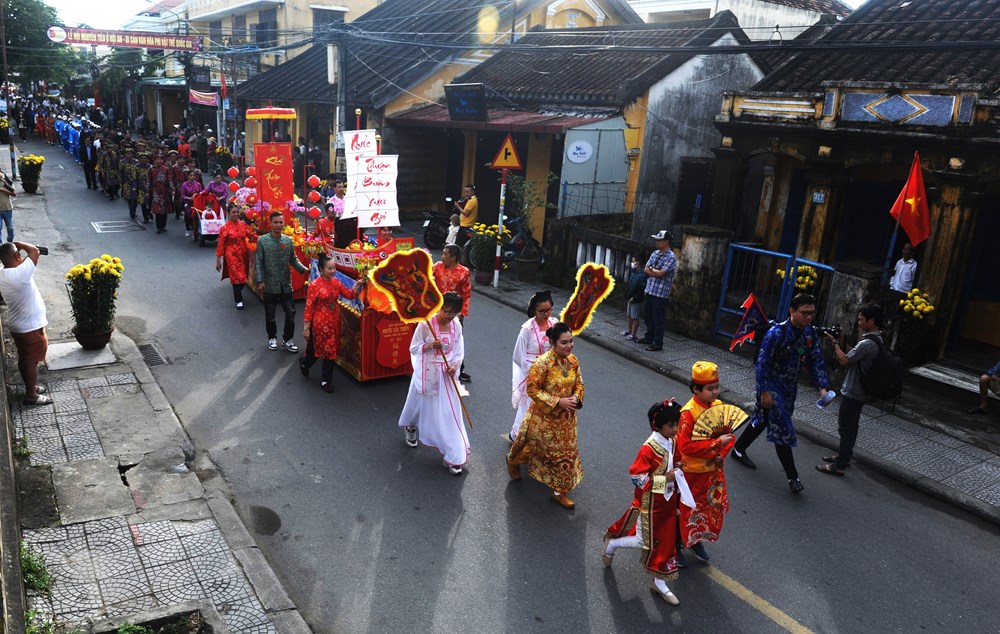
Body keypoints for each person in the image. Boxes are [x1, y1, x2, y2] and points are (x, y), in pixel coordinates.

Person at [730, 293, 831, 493]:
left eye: (812, 313)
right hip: (771, 386)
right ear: (792, 311)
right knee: (782, 429)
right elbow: (762, 364)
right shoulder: (776, 333)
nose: (809, 317)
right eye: (805, 313)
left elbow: (815, 360)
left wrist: (822, 387)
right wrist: (764, 392)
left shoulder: (809, 334)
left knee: (764, 419)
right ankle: (793, 477)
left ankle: (738, 449)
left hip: (789, 388)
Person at [602, 399, 693, 605]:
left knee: (668, 542)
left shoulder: (673, 440)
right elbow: (637, 478)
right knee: (644, 542)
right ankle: (612, 545)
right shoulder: (648, 449)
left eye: (677, 424)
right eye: (671, 425)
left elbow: (677, 458)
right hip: (650, 505)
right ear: (658, 425)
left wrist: (679, 467)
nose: (675, 429)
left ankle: (659, 582)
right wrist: (666, 479)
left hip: (669, 502)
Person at [506, 322, 585, 509]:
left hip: (566, 421)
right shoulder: (542, 363)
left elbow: (579, 383)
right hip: (543, 419)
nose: (569, 346)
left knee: (565, 457)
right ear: (552, 343)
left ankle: (559, 492)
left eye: (571, 342)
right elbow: (533, 390)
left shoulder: (573, 361)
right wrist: (558, 402)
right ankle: (513, 461)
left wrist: (575, 397)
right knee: (532, 451)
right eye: (564, 343)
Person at [398, 292, 469, 476]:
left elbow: (459, 351)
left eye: (454, 313)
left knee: (449, 414)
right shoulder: (425, 324)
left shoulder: (457, 326)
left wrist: (454, 365)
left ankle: (453, 455)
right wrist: (430, 346)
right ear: (439, 307)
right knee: (417, 404)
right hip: (426, 372)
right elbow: (413, 348)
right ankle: (411, 426)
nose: (450, 316)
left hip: (446, 375)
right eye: (447, 312)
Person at [676, 361, 734, 564]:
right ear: (696, 389)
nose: (715, 392)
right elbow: (685, 447)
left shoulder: (718, 407)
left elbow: (729, 436)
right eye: (710, 389)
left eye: (716, 387)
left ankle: (695, 540)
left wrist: (721, 454)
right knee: (686, 509)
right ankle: (677, 544)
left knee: (706, 511)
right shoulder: (688, 413)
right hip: (692, 472)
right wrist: (716, 445)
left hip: (712, 472)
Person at [818, 303, 884, 476]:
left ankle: (839, 465)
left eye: (862, 320)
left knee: (846, 428)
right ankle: (844, 457)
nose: (859, 322)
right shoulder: (876, 339)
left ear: (872, 320)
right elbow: (854, 355)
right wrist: (842, 341)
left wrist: (834, 344)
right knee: (851, 426)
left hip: (854, 391)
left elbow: (845, 361)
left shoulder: (868, 342)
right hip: (861, 391)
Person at [300, 253, 360, 393]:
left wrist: (357, 286)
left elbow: (349, 295)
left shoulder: (336, 282)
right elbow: (308, 307)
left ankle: (326, 380)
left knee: (331, 352)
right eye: (329, 268)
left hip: (334, 321)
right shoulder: (315, 286)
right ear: (321, 269)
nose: (333, 271)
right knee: (317, 351)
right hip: (320, 324)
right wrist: (306, 327)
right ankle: (304, 363)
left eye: (334, 268)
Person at [0, 242, 49, 406]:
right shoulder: (21, 274)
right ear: (17, 256)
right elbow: (34, 251)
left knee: (25, 358)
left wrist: (15, 249)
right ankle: (31, 395)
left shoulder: (3, 274)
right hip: (30, 328)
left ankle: (31, 387)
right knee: (31, 361)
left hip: (18, 325)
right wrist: (18, 244)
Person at [256, 211, 309, 351]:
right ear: (270, 223)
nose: (278, 225)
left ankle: (287, 339)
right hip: (269, 283)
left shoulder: (288, 240)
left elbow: (293, 259)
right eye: (276, 222)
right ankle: (272, 337)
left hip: (286, 283)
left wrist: (304, 270)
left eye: (281, 222)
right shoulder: (262, 241)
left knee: (291, 313)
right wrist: (260, 280)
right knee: (270, 314)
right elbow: (259, 262)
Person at [508, 291, 557, 441]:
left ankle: (535, 436)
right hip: (532, 372)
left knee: (545, 406)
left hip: (549, 371)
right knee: (529, 405)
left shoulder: (555, 324)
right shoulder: (527, 329)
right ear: (533, 311)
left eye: (549, 309)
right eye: (542, 311)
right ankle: (519, 434)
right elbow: (518, 355)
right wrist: (533, 370)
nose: (546, 313)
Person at [432, 244, 472, 382]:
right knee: (435, 337)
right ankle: (435, 365)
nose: (442, 257)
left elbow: (466, 294)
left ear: (453, 257)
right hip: (437, 310)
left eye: (445, 254)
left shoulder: (463, 272)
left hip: (454, 312)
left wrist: (461, 314)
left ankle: (458, 367)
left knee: (456, 339)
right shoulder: (437, 267)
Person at [636, 230, 677, 352]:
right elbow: (646, 269)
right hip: (650, 289)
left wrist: (653, 270)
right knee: (648, 316)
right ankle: (649, 337)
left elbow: (662, 274)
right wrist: (655, 270)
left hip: (661, 293)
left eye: (660, 240)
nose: (657, 242)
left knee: (658, 318)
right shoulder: (655, 253)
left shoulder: (671, 257)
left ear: (666, 242)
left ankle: (658, 343)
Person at [216, 203, 255, 309]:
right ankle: (238, 299)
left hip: (243, 254)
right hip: (231, 255)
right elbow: (220, 245)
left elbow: (250, 235)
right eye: (233, 212)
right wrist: (218, 260)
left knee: (243, 277)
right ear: (229, 213)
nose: (236, 214)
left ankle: (238, 292)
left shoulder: (242, 224)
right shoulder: (224, 228)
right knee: (237, 277)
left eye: (237, 212)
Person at [622, 253, 647, 341]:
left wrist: (634, 298)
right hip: (630, 297)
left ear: (638, 263)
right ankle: (629, 331)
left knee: (635, 317)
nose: (632, 263)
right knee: (629, 315)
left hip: (636, 300)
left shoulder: (643, 275)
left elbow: (642, 290)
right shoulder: (634, 272)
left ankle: (633, 334)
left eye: (633, 261)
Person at [149, 154, 172, 234]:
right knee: (157, 210)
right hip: (156, 191)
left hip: (165, 191)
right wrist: (148, 190)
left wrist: (171, 188)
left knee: (164, 210)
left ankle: (163, 226)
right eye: (157, 159)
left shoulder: (166, 169)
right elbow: (149, 180)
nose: (159, 161)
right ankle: (158, 227)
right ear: (155, 160)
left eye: (161, 159)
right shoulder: (152, 169)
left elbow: (169, 180)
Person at [180, 170, 204, 238]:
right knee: (188, 215)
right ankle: (187, 229)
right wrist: (189, 198)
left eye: (194, 175)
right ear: (188, 176)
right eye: (191, 175)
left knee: (197, 216)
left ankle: (195, 230)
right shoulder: (184, 184)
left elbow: (201, 193)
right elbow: (182, 195)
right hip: (188, 201)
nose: (192, 177)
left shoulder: (198, 184)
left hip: (196, 201)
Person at [0, 171, 16, 242]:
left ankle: (10, 242)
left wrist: (4, 190)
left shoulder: (6, 181)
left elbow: (14, 194)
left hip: (7, 208)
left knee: (10, 228)